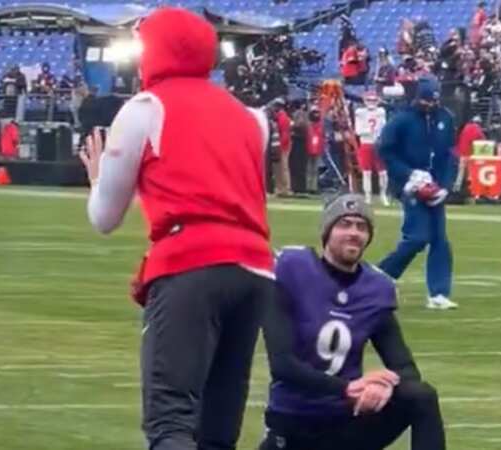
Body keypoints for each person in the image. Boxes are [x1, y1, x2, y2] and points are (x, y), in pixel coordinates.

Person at [78, 8, 274, 450]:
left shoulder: (146, 108)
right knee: (219, 426)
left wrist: (95, 180)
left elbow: (104, 217)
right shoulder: (250, 117)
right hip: (256, 268)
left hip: (190, 261)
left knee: (171, 421)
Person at [259, 193, 446, 450]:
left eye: (361, 226)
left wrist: (384, 386)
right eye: (344, 224)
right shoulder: (292, 269)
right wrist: (347, 388)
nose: (354, 233)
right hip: (294, 423)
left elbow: (405, 368)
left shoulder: (375, 288)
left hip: (345, 422)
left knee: (421, 396)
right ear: (327, 231)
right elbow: (283, 365)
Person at [378, 75, 458, 310]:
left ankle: (439, 293)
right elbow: (386, 151)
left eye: (432, 100)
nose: (429, 105)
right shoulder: (401, 120)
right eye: (425, 100)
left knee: (439, 240)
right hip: (409, 185)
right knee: (417, 238)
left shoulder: (445, 118)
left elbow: (448, 156)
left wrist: (445, 186)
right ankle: (382, 275)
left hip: (435, 186)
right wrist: (407, 175)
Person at [354, 91, 390, 206]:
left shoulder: (381, 112)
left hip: (378, 144)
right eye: (369, 100)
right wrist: (371, 131)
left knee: (383, 172)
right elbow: (358, 131)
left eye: (374, 100)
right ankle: (368, 196)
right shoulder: (360, 112)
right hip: (366, 144)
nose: (371, 103)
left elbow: (383, 127)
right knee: (366, 172)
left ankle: (383, 195)